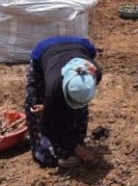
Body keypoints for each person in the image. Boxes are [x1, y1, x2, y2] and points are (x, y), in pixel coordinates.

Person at [25, 36, 103, 168]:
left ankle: (74, 141)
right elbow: (47, 126)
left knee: (78, 109)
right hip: (44, 51)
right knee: (48, 157)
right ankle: (44, 149)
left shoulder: (94, 74)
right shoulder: (54, 86)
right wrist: (47, 107)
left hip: (78, 46)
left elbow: (78, 98)